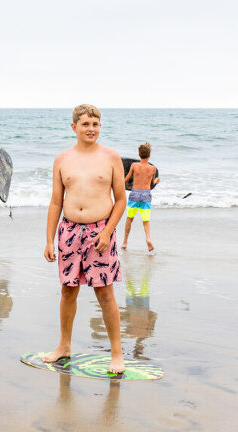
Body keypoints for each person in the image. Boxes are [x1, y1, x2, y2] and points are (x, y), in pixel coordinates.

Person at [43, 104, 127, 374]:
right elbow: (56, 202)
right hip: (68, 232)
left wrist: (107, 232)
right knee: (68, 291)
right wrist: (48, 239)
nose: (92, 129)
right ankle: (64, 346)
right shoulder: (62, 159)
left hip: (99, 233)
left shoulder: (111, 157)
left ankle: (117, 354)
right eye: (86, 124)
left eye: (96, 124)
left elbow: (121, 200)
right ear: (74, 128)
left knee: (105, 294)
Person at [121, 143, 160, 252]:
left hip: (135, 194)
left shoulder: (134, 166)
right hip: (146, 194)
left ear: (139, 154)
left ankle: (125, 242)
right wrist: (157, 180)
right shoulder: (153, 168)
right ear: (149, 155)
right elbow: (152, 183)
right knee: (146, 221)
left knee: (129, 218)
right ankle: (148, 239)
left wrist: (118, 180)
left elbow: (127, 180)